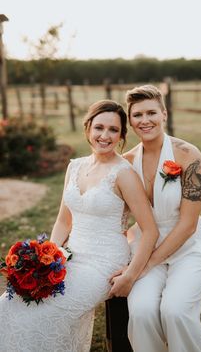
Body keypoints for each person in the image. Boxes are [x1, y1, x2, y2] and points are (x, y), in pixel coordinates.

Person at [0, 100, 159, 352]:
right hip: (69, 258)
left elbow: (150, 230)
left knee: (46, 312)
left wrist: (130, 275)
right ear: (88, 129)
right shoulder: (75, 167)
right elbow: (64, 220)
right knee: (8, 305)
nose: (104, 136)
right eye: (99, 128)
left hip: (104, 265)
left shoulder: (123, 174)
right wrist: (48, 258)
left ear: (121, 136)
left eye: (113, 130)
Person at [111, 85, 201, 352]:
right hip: (145, 247)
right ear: (130, 120)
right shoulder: (125, 162)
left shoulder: (187, 154)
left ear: (164, 114)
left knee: (175, 311)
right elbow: (118, 219)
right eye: (137, 115)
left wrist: (142, 268)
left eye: (151, 113)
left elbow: (188, 224)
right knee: (143, 312)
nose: (144, 120)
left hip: (189, 246)